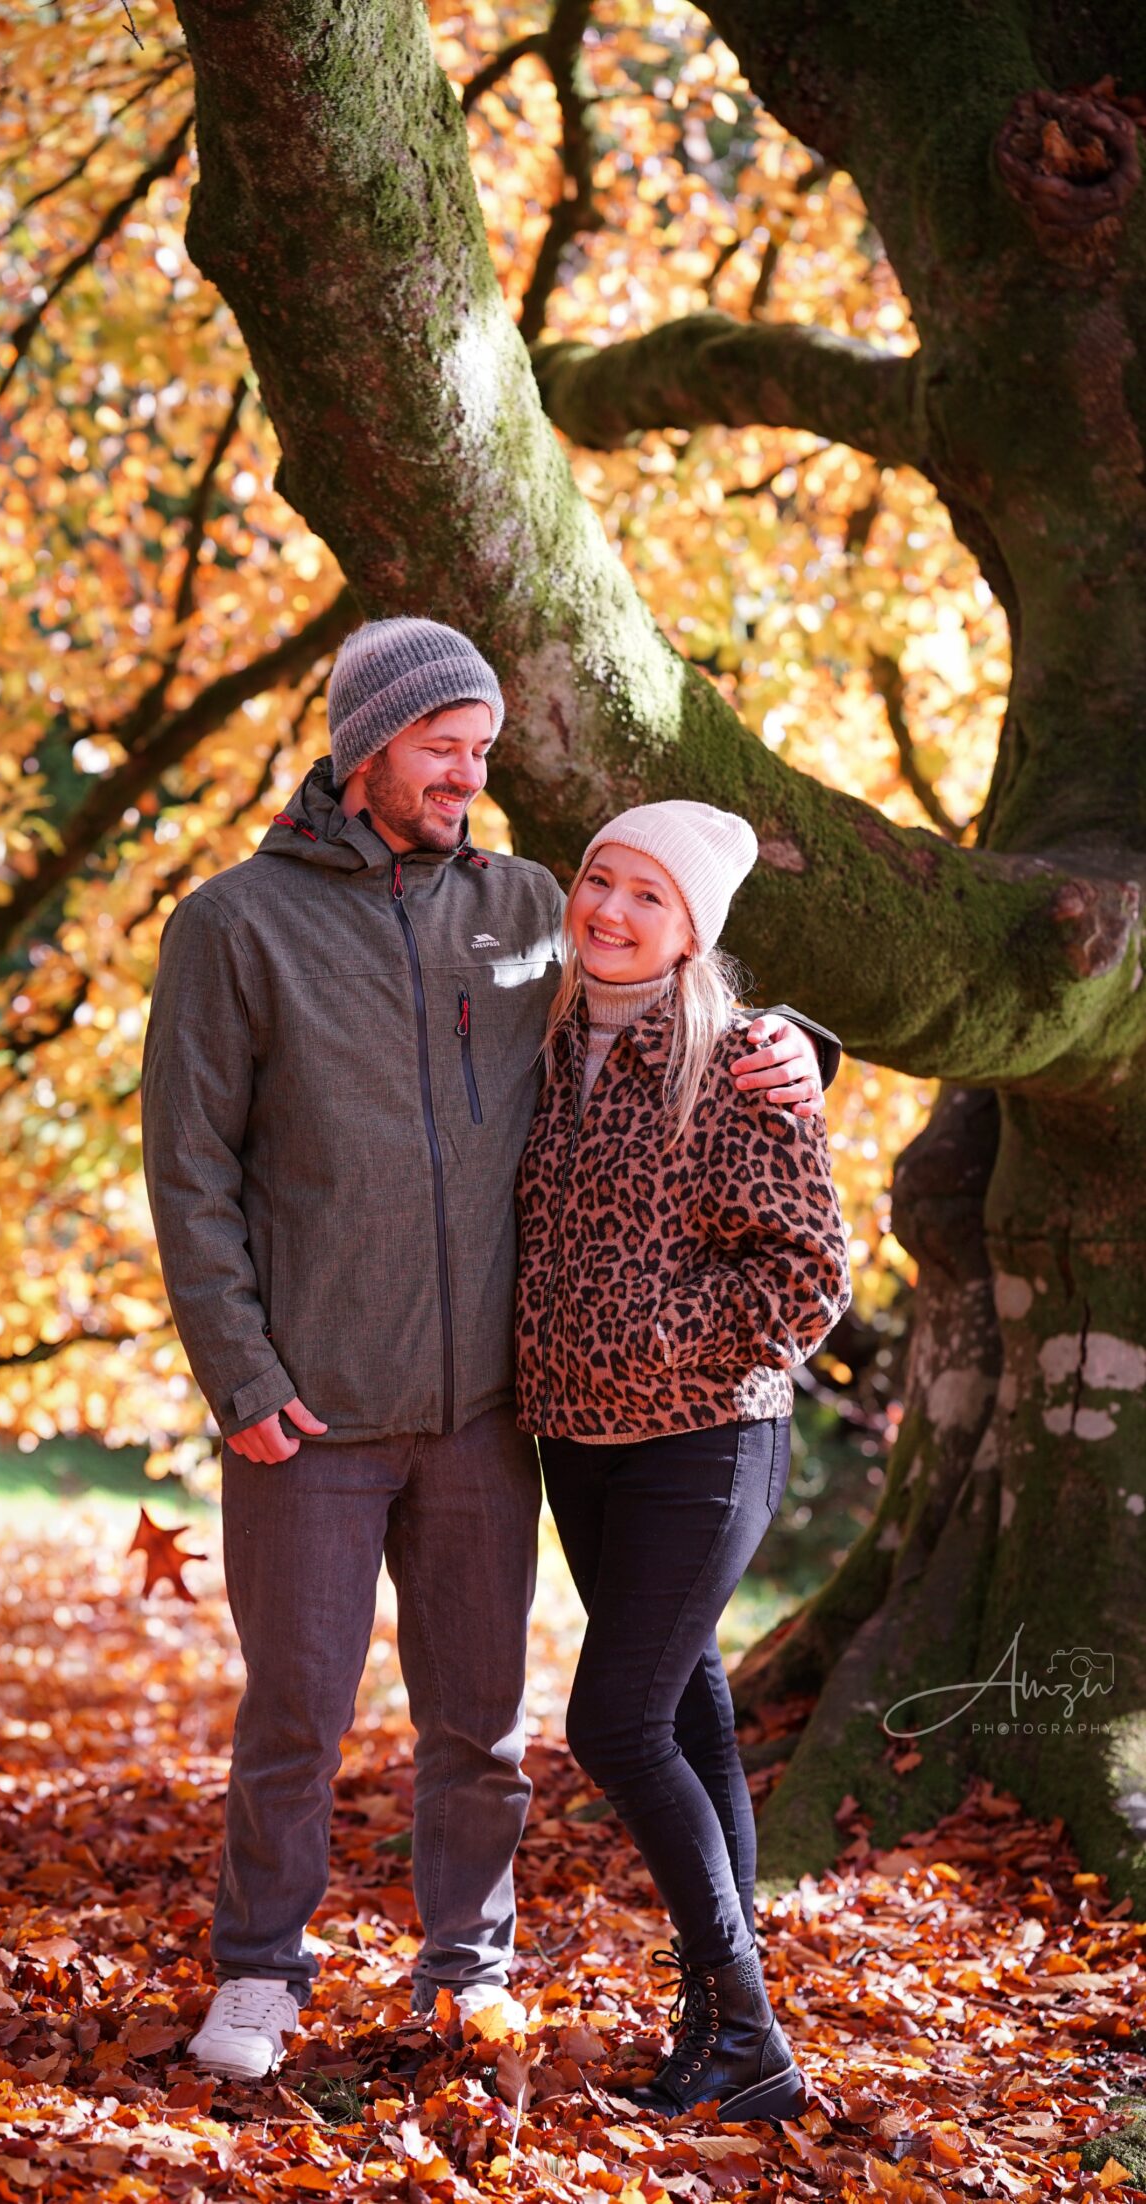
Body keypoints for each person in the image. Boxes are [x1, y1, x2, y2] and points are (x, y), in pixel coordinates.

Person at [140, 616, 840, 2082]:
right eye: (443, 749)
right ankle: (260, 1976)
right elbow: (189, 1173)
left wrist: (796, 1037)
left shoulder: (521, 905)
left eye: (482, 751)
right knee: (295, 1716)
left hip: (485, 1413)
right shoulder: (233, 928)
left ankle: (467, 1969)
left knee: (484, 1728)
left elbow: (665, 974)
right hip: (309, 1409)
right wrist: (241, 1375)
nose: (469, 775)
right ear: (365, 749)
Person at [514, 801, 853, 2124]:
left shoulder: (737, 1060)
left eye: (647, 896)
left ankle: (750, 2028)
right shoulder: (550, 1049)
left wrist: (667, 1348)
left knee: (615, 1722)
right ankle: (723, 2023)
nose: (610, 910)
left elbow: (811, 1272)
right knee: (694, 1713)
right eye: (599, 880)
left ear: (692, 927)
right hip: (580, 1448)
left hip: (703, 1444)